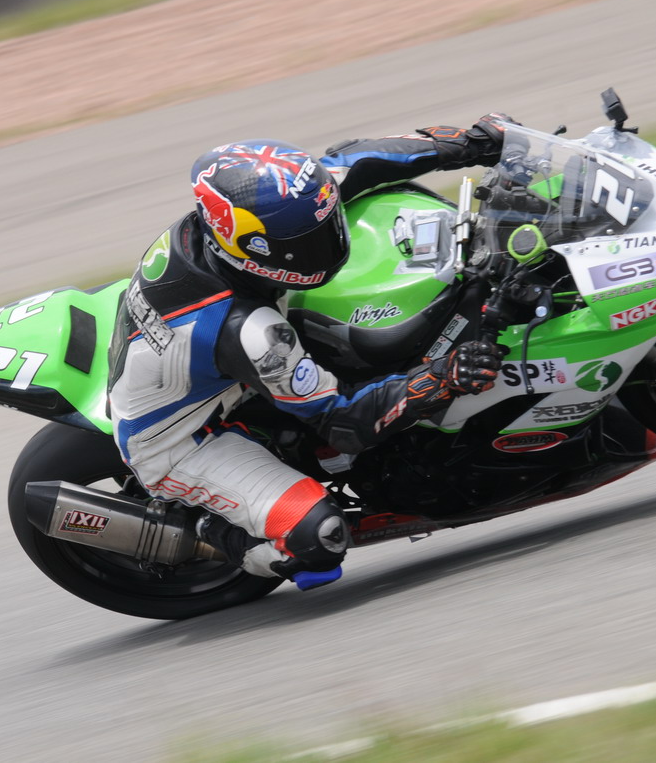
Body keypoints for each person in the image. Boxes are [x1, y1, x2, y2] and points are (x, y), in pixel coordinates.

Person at [106, 115, 515, 589]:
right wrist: (441, 378)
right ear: (253, 247)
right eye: (305, 243)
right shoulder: (249, 331)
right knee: (320, 540)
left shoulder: (244, 223)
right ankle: (204, 532)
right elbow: (343, 422)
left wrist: (474, 142)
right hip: (180, 442)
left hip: (198, 367)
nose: (327, 242)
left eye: (325, 224)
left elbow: (361, 159)